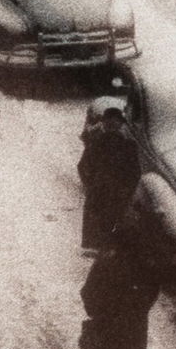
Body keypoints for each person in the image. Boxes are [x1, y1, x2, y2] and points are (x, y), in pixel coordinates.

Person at [77, 101, 142, 252]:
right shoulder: (102, 142)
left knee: (107, 216)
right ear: (105, 124)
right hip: (106, 188)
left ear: (119, 125)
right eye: (109, 123)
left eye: (114, 123)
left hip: (112, 188)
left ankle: (100, 246)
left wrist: (127, 188)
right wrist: (91, 182)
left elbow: (134, 170)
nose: (111, 126)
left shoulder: (127, 145)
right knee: (103, 215)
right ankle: (97, 246)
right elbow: (84, 165)